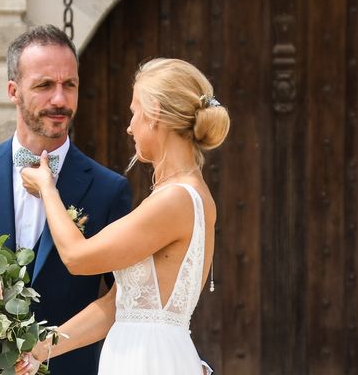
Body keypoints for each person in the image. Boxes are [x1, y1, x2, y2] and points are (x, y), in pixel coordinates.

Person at [0, 24, 132, 375]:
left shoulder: (109, 190)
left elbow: (125, 298)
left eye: (70, 85)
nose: (60, 99)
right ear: (13, 91)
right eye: (45, 85)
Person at [15, 58, 230, 375]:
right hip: (142, 356)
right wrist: (39, 351)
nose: (129, 125)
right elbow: (116, 306)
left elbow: (78, 257)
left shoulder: (177, 198)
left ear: (154, 113)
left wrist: (48, 189)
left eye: (134, 112)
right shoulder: (180, 194)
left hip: (148, 361)